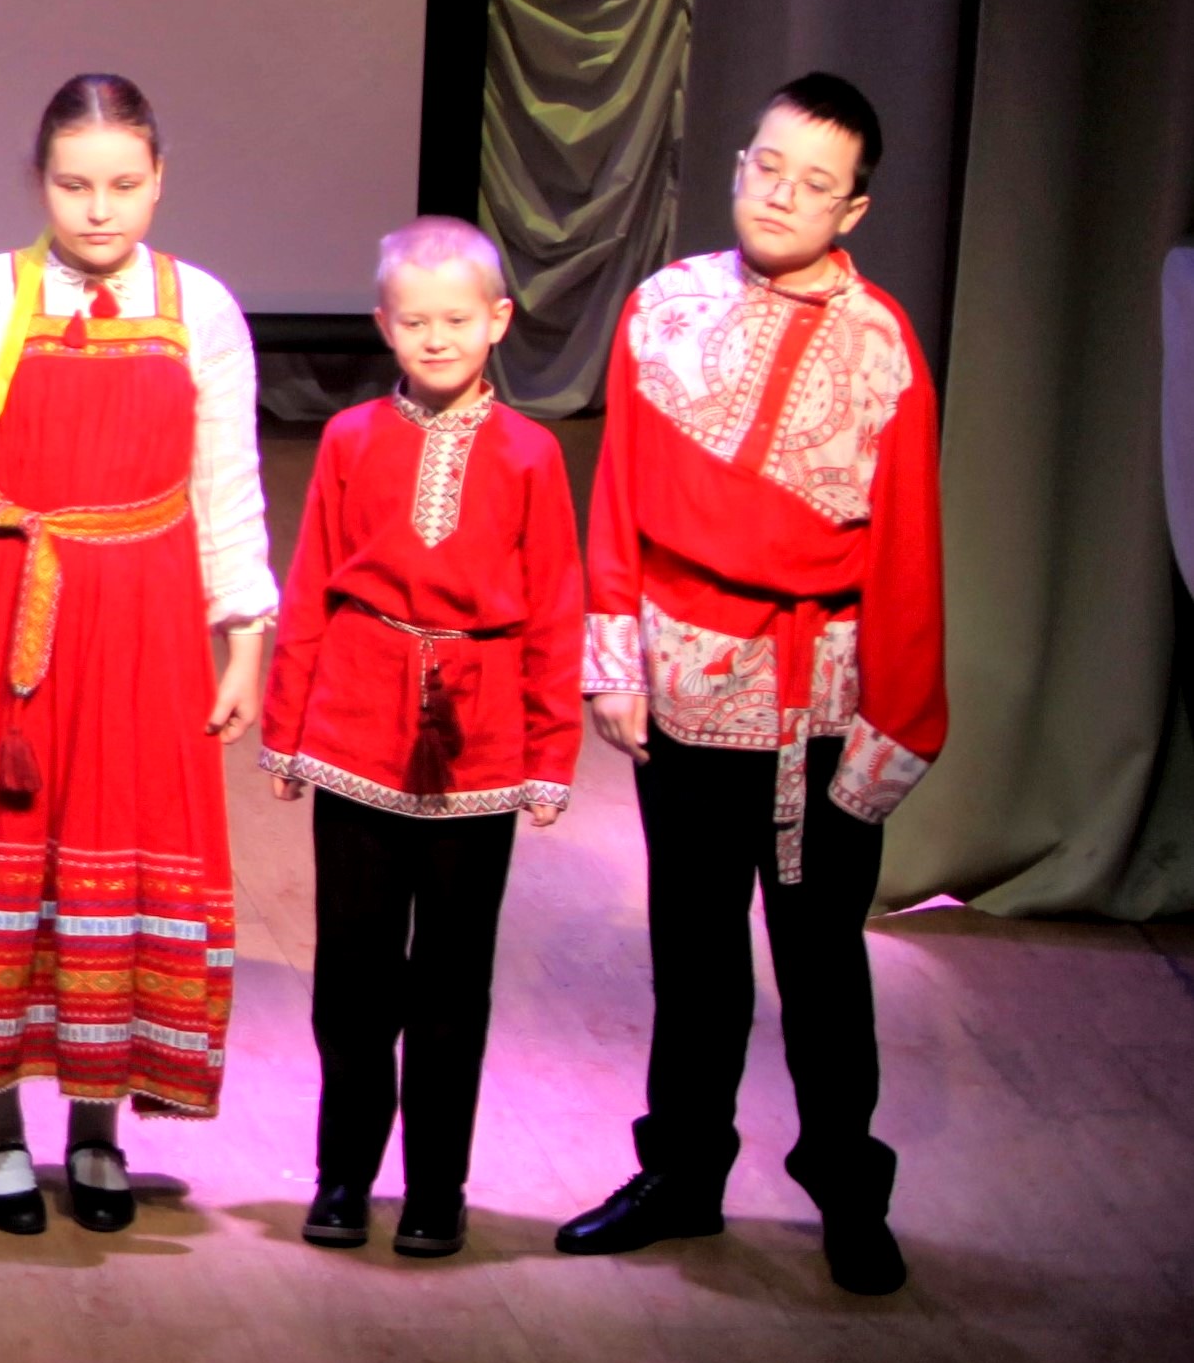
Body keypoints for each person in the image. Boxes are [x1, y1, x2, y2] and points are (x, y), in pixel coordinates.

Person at [557, 74, 941, 1297]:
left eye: (813, 182)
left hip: (813, 697)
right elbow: (618, 495)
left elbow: (908, 554)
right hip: (681, 677)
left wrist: (897, 723)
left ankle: (844, 1184)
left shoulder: (881, 346)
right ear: (737, 166)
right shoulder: (662, 308)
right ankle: (680, 1171)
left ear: (853, 207)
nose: (781, 195)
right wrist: (613, 658)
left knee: (820, 960)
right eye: (766, 166)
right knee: (692, 950)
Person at [0, 73, 276, 1236]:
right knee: (1, 851)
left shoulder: (201, 309)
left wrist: (244, 635)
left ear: (158, 180)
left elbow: (228, 488)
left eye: (122, 184)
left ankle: (96, 1126)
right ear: (38, 181)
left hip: (145, 619)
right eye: (72, 184)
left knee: (119, 849)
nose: (98, 209)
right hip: (11, 615)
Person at [263, 216, 582, 1259]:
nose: (436, 338)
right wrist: (286, 726)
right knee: (353, 974)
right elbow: (310, 584)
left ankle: (436, 1187)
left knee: (450, 979)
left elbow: (555, 609)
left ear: (497, 320)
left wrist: (549, 754)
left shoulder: (531, 454)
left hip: (477, 737)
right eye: (414, 321)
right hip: (357, 724)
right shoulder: (350, 439)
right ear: (382, 325)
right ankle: (343, 1174)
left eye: (455, 318)